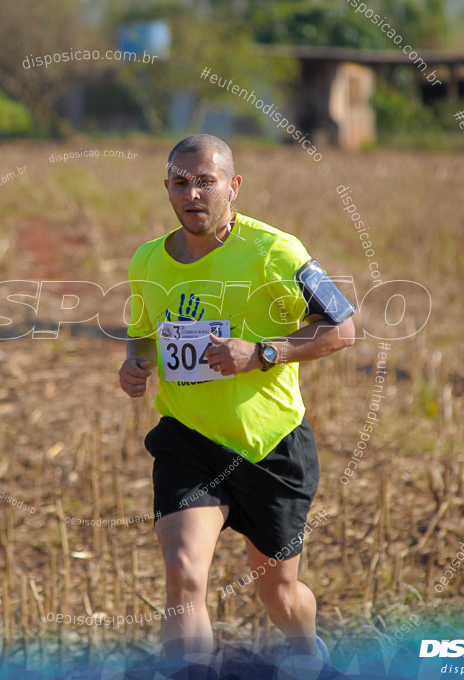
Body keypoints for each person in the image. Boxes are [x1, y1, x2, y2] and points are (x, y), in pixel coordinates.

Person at [118, 134, 356, 675]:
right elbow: (142, 334)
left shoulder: (277, 250)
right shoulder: (147, 261)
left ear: (234, 187)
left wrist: (265, 352)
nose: (193, 193)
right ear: (167, 189)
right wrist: (137, 364)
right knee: (184, 573)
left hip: (270, 445)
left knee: (279, 594)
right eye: (181, 182)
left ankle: (308, 657)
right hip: (189, 440)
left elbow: (342, 329)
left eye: (206, 181)